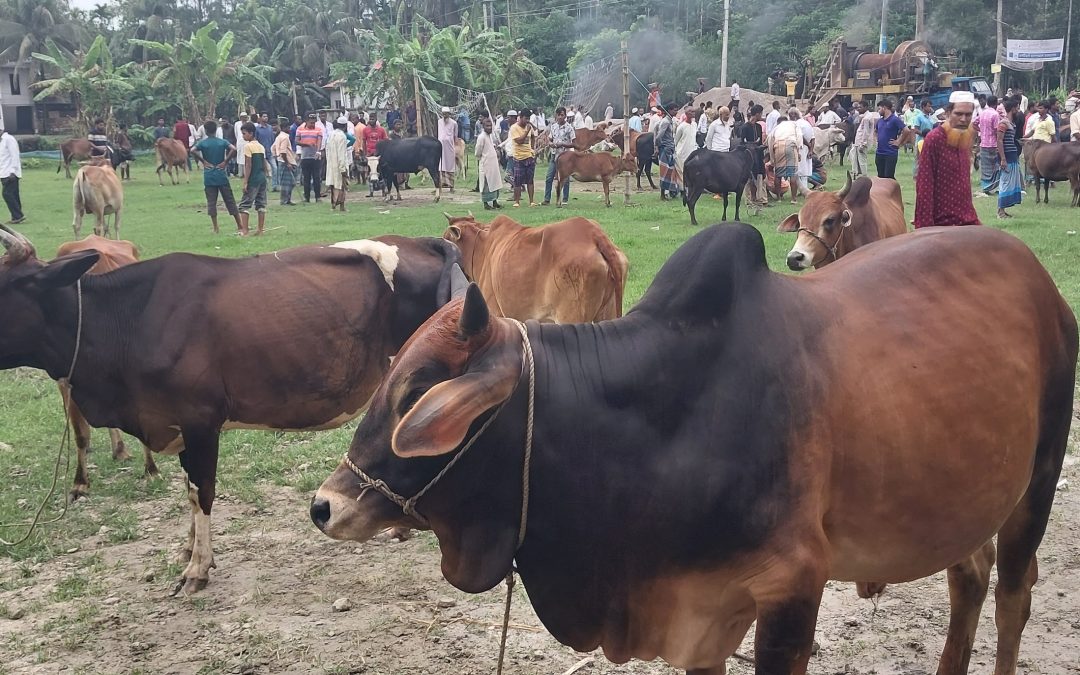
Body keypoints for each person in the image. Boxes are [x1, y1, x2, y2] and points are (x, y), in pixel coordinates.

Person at [913, 91, 980, 229]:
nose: (963, 119)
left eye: (968, 115)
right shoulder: (934, 139)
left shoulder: (965, 137)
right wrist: (925, 227)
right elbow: (924, 185)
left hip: (968, 219)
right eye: (959, 114)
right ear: (948, 113)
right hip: (942, 223)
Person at [192, 120, 242, 235]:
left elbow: (192, 150)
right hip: (221, 175)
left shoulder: (203, 143)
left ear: (205, 130)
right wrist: (225, 161)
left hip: (209, 176)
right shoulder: (222, 142)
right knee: (230, 200)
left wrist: (203, 161)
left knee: (211, 202)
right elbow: (233, 149)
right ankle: (239, 224)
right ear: (215, 130)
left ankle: (216, 228)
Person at [238, 122, 270, 236]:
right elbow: (264, 163)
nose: (243, 136)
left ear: (251, 133)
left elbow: (248, 165)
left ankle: (245, 231)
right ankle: (260, 230)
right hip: (262, 178)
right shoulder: (261, 146)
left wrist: (245, 181)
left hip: (253, 179)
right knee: (261, 204)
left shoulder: (248, 146)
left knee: (244, 205)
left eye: (244, 133)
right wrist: (266, 175)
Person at [543, 106, 576, 206]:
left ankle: (565, 199)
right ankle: (547, 199)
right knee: (549, 177)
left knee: (564, 178)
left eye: (562, 115)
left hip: (565, 157)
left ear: (565, 116)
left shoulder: (569, 128)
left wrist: (562, 144)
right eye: (558, 115)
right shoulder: (553, 126)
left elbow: (574, 143)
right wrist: (550, 143)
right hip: (554, 155)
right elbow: (549, 139)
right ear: (556, 116)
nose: (560, 117)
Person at [996, 98, 1023, 219]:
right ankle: (1000, 211)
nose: (1018, 110)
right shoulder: (1003, 123)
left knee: (1009, 182)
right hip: (1007, 156)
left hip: (1012, 156)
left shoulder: (1011, 124)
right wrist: (1002, 158)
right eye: (1017, 108)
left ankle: (1003, 209)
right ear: (1012, 109)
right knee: (1005, 182)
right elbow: (999, 140)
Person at [509, 108, 537, 207]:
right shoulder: (514, 128)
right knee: (518, 181)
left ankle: (531, 201)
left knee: (530, 180)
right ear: (520, 118)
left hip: (529, 157)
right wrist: (526, 131)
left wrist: (532, 149)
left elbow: (533, 137)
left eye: (528, 118)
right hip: (518, 158)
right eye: (526, 118)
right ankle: (517, 201)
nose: (527, 121)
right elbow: (519, 141)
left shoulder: (529, 127)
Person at [475, 117, 503, 209]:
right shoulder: (481, 137)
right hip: (486, 164)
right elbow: (478, 152)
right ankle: (486, 204)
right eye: (487, 126)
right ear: (483, 127)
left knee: (495, 183)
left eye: (490, 126)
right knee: (486, 184)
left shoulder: (490, 136)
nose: (489, 127)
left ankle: (495, 202)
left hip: (494, 164)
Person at [974, 95, 1000, 194]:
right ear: (996, 103)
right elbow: (997, 130)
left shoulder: (982, 113)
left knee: (985, 167)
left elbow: (974, 124)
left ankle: (986, 187)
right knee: (995, 167)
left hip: (983, 143)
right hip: (993, 144)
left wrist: (982, 130)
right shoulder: (995, 115)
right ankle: (995, 187)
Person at [295, 113, 324, 203]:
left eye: (314, 123)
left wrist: (318, 151)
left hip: (315, 157)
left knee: (316, 178)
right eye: (311, 122)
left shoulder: (318, 129)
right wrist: (307, 144)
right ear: (306, 121)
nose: (312, 124)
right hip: (305, 157)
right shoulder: (300, 129)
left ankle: (317, 197)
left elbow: (319, 141)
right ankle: (306, 197)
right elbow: (296, 141)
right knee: (306, 178)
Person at [325, 115, 350, 212]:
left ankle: (333, 205)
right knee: (341, 186)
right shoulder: (342, 136)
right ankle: (342, 207)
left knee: (333, 185)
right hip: (339, 165)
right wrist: (343, 169)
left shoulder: (331, 134)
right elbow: (341, 154)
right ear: (345, 126)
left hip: (331, 164)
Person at [874, 99, 904, 178]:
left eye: (879, 109)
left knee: (888, 176)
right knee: (880, 176)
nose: (878, 111)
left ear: (884, 108)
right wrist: (877, 139)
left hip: (890, 153)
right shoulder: (880, 121)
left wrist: (899, 141)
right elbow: (875, 131)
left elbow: (906, 130)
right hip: (879, 152)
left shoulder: (894, 119)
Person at [655, 104, 680, 200]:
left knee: (671, 171)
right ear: (669, 110)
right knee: (664, 172)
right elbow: (659, 136)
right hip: (665, 149)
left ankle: (671, 191)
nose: (676, 112)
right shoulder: (665, 122)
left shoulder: (670, 121)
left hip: (670, 148)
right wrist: (658, 147)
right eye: (674, 110)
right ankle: (662, 195)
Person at [0, 125, 24, 224]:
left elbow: (15, 155)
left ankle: (18, 215)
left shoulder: (9, 139)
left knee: (6, 194)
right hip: (3, 173)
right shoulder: (1, 141)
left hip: (10, 173)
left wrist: (13, 171)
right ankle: (16, 217)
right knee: (14, 194)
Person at [271, 121, 297, 206]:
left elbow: (273, 148)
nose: (289, 129)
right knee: (288, 182)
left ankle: (287, 199)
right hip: (287, 161)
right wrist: (287, 163)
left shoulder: (279, 137)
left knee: (288, 182)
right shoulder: (285, 137)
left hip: (281, 161)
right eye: (288, 128)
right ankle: (285, 200)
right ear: (284, 128)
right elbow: (283, 151)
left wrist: (276, 156)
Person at [850, 101, 873, 178]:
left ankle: (864, 177)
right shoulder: (866, 116)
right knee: (856, 161)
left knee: (862, 161)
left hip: (861, 143)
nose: (859, 109)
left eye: (860, 107)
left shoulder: (866, 118)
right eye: (858, 107)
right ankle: (858, 176)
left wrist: (863, 144)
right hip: (858, 142)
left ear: (866, 107)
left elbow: (866, 132)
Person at [437, 106, 458, 189]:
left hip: (449, 146)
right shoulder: (439, 122)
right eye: (443, 114)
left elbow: (455, 136)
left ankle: (451, 185)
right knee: (441, 165)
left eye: (446, 114)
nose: (445, 115)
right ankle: (442, 183)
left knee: (450, 165)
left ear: (449, 114)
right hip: (440, 146)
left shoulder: (454, 123)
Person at [675, 109, 698, 182]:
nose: (693, 113)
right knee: (683, 171)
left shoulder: (695, 124)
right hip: (682, 152)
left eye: (694, 111)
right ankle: (683, 189)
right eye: (691, 112)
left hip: (692, 151)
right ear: (686, 114)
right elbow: (676, 140)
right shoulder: (681, 126)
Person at [255, 113, 277, 192]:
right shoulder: (257, 129)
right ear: (260, 118)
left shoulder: (270, 128)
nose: (266, 118)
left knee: (275, 168)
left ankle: (274, 186)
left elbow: (273, 139)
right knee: (263, 170)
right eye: (264, 116)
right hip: (261, 152)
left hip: (270, 151)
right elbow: (256, 140)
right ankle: (265, 186)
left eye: (267, 116)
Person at [234, 112, 249, 178]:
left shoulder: (249, 124)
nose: (244, 118)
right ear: (240, 117)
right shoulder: (237, 124)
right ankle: (240, 174)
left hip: (247, 142)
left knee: (247, 157)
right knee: (240, 157)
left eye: (245, 117)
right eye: (242, 117)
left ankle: (246, 173)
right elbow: (236, 134)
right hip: (240, 142)